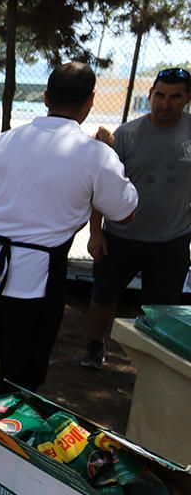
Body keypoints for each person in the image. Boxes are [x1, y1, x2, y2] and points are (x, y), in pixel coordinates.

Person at [0, 62, 138, 401]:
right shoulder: (96, 155)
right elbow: (126, 213)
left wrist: (5, 216)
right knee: (18, 378)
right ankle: (2, 449)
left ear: (46, 97)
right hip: (36, 280)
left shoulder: (3, 142)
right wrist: (110, 153)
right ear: (90, 101)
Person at [79, 67, 191, 369]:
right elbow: (102, 187)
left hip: (172, 240)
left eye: (174, 97)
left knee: (162, 307)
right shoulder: (127, 135)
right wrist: (96, 232)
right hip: (121, 237)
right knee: (103, 296)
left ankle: (153, 358)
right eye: (159, 95)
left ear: (187, 99)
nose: (165, 104)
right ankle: (95, 345)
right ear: (151, 94)